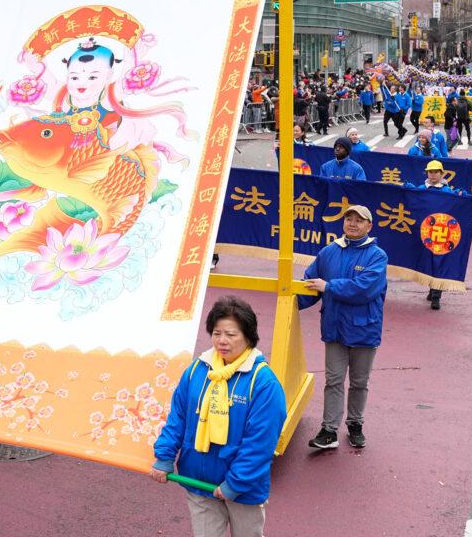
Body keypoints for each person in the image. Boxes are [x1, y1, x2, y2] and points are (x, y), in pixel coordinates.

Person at [151, 296, 285, 537]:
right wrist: (164, 456)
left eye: (231, 334)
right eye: (216, 333)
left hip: (243, 489)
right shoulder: (197, 370)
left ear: (248, 336)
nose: (222, 341)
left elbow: (260, 443)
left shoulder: (263, 383)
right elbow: (178, 417)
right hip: (198, 479)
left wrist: (235, 482)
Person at [298, 205, 386, 450]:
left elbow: (364, 289)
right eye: (349, 219)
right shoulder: (328, 252)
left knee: (359, 381)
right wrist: (290, 303)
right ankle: (329, 430)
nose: (352, 224)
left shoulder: (377, 256)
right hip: (335, 328)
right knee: (333, 380)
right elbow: (310, 284)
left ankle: (355, 423)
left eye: (359, 220)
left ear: (369, 226)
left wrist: (328, 287)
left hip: (364, 330)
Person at [409, 160, 461, 310]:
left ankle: (436, 295)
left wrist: (462, 196)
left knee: (438, 262)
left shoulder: (447, 191)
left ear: (442, 174)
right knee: (427, 261)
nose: (432, 175)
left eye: (436, 172)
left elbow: (455, 208)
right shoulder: (421, 189)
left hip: (441, 233)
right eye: (430, 172)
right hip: (424, 231)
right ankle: (432, 288)